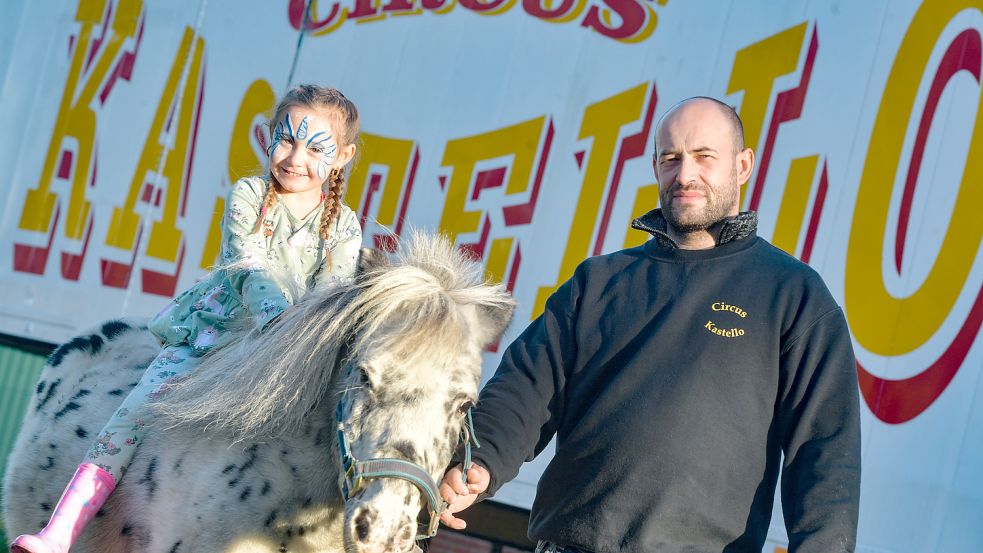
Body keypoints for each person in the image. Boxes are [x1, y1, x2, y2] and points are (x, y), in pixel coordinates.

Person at [439, 96, 861, 553]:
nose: (684, 175)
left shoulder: (793, 296)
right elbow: (526, 385)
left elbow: (826, 453)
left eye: (704, 156)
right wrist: (481, 459)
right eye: (670, 158)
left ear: (743, 166)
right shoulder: (599, 282)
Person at [10, 84, 364, 553]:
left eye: (315, 147)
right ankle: (61, 530)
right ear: (268, 137)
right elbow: (247, 263)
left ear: (342, 157)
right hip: (218, 336)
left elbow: (331, 290)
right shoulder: (250, 195)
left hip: (293, 356)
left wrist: (300, 347)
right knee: (134, 412)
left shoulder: (344, 225)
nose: (295, 157)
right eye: (286, 139)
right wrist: (280, 325)